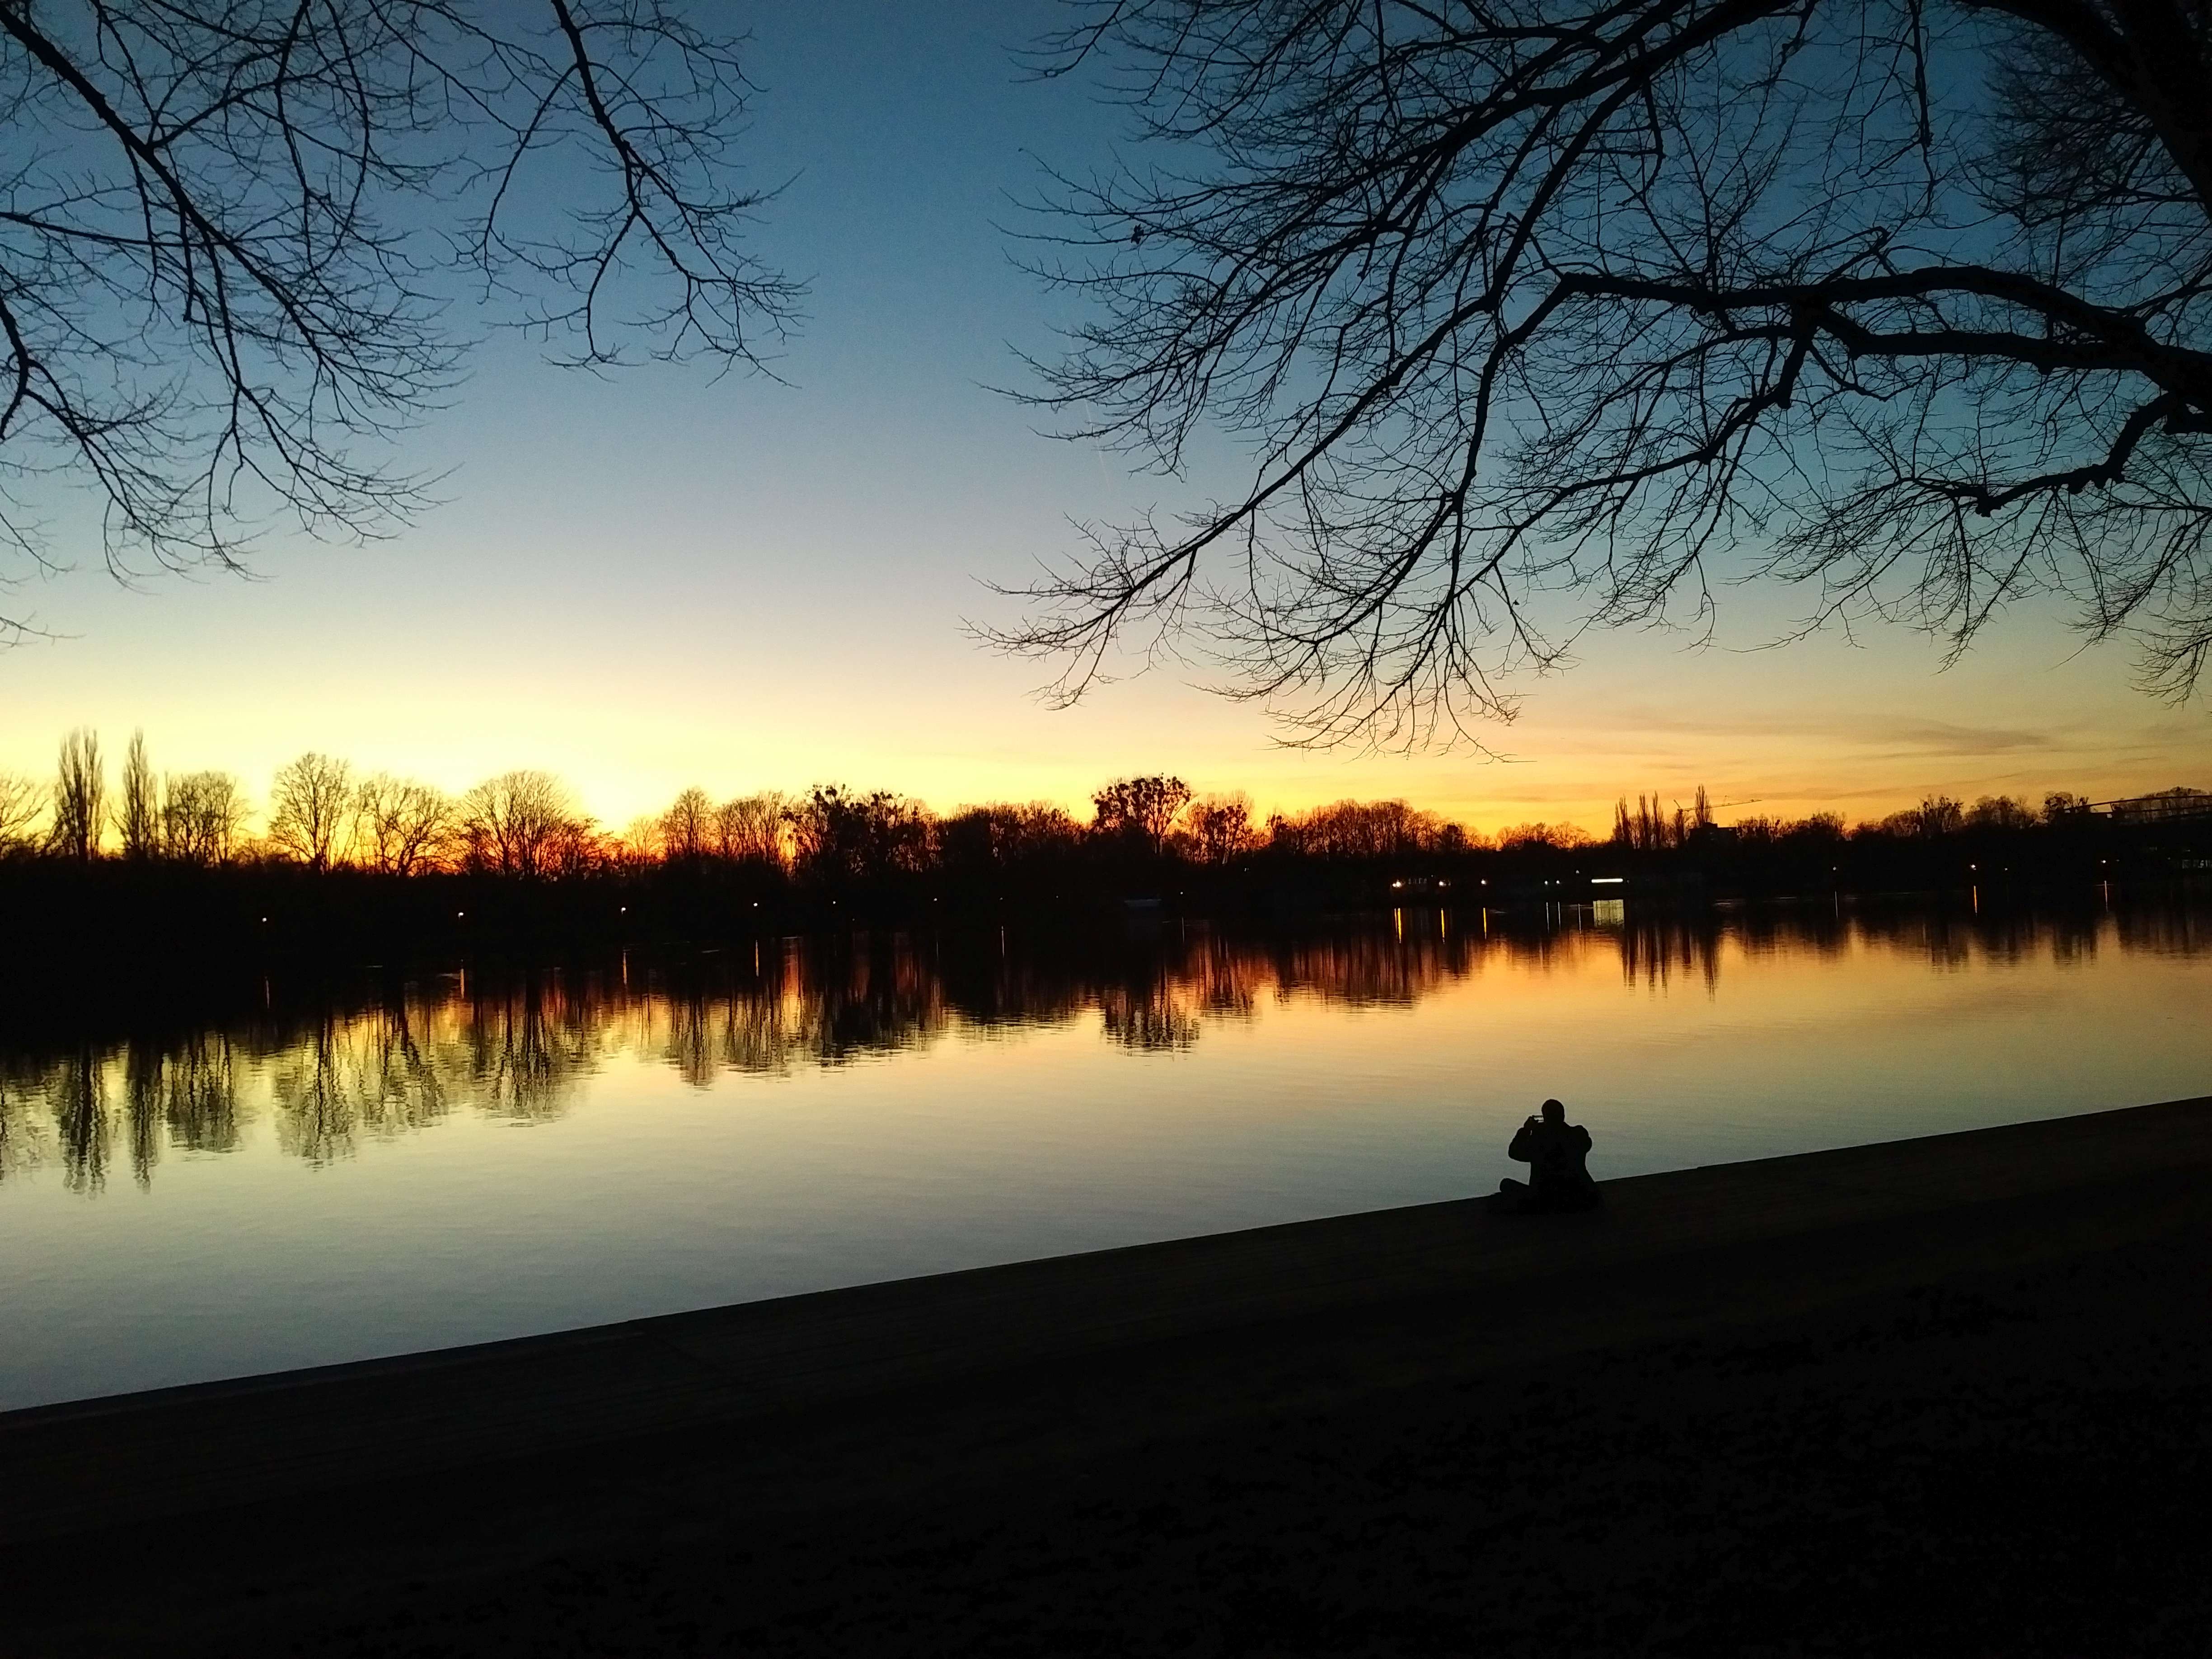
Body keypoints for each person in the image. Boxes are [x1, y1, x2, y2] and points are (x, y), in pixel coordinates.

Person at [1497, 1098, 1599, 1212]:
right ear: (1563, 1115)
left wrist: (1526, 1130)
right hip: (1577, 1193)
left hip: (1545, 1199)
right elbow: (1585, 1143)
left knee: (1506, 1185)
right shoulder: (1578, 1135)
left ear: (1545, 1118)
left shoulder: (1539, 1141)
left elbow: (1514, 1153)